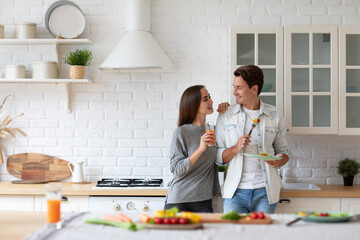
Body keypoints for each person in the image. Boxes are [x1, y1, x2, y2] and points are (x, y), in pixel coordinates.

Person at [215, 65, 289, 214]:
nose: (234, 92)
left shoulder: (275, 115)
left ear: (254, 89)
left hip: (265, 192)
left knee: (262, 235)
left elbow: (284, 152)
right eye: (234, 87)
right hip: (235, 193)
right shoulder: (226, 114)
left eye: (239, 88)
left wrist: (279, 160)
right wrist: (235, 148)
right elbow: (217, 157)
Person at [164, 85, 228, 213]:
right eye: (206, 99)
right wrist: (200, 149)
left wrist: (228, 109)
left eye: (210, 97)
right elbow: (176, 169)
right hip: (179, 200)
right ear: (194, 105)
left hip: (204, 200)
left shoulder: (213, 130)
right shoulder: (181, 132)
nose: (211, 101)